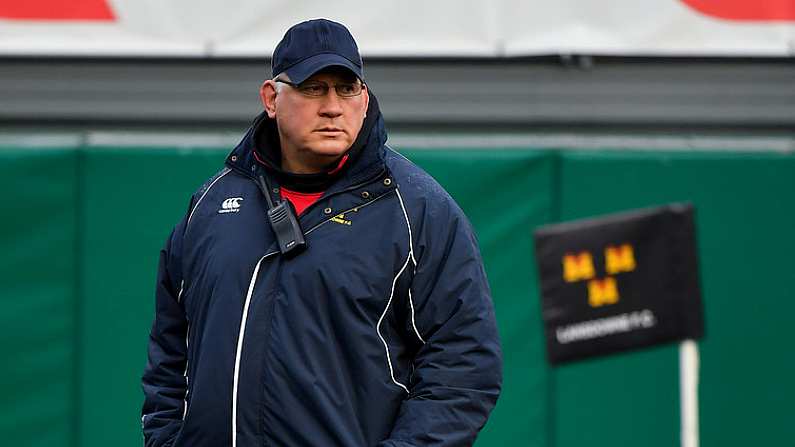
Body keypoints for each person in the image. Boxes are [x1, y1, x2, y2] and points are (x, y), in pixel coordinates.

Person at [141, 18, 502, 447]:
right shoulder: (212, 206)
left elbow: (464, 366)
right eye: (314, 88)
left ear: (364, 99)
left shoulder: (419, 210)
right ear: (271, 98)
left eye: (346, 89)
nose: (333, 106)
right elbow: (170, 351)